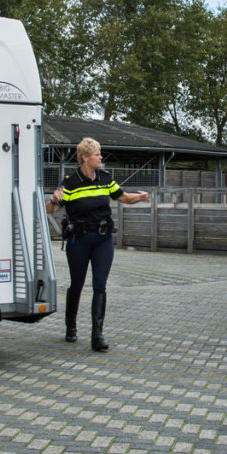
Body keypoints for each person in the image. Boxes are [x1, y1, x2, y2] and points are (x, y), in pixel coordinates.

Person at [46, 137, 150, 350]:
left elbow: (124, 197)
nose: (101, 157)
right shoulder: (71, 182)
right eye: (97, 154)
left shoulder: (104, 178)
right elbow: (51, 210)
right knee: (77, 284)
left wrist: (140, 198)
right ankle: (71, 327)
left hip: (102, 239)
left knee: (99, 285)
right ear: (85, 158)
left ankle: (97, 335)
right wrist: (54, 200)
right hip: (79, 240)